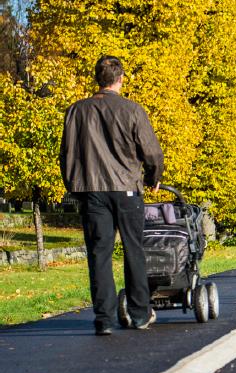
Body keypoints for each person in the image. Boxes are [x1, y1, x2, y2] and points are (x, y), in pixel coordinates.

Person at [60, 55, 165, 335]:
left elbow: (67, 153)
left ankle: (104, 319)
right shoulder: (132, 110)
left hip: (92, 190)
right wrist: (153, 177)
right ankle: (140, 313)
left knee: (99, 254)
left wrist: (74, 186)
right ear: (121, 79)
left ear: (98, 78)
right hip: (127, 189)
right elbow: (152, 151)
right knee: (134, 250)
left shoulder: (76, 111)